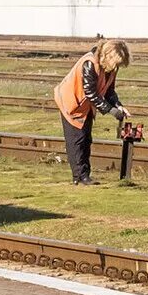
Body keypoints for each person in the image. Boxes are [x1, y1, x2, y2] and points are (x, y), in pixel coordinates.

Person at [53, 38, 131, 185]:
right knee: (77, 140)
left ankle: (84, 175)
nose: (116, 68)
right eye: (117, 63)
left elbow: (109, 90)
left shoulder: (110, 68)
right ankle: (79, 177)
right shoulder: (89, 63)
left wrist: (118, 105)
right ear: (108, 56)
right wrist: (111, 110)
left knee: (86, 140)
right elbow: (91, 93)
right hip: (71, 103)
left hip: (86, 106)